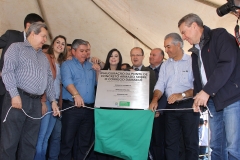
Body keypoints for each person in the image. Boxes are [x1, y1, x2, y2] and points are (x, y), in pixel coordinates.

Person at [178, 13, 240, 160]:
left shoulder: (219, 36)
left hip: (232, 98)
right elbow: (198, 80)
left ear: (194, 26)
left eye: (183, 32)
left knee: (233, 147)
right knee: (216, 145)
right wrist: (197, 98)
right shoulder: (194, 53)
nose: (184, 37)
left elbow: (226, 64)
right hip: (213, 102)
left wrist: (206, 91)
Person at [1, 22, 59, 160]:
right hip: (18, 99)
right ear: (33, 34)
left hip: (36, 103)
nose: (45, 40)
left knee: (30, 143)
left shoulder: (43, 57)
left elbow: (49, 81)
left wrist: (53, 101)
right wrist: (14, 95)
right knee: (10, 142)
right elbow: (7, 71)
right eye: (43, 36)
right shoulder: (16, 48)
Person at [149, 33, 199, 160]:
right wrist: (155, 99)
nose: (166, 50)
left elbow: (198, 86)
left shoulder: (192, 61)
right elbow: (160, 85)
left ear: (178, 45)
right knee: (170, 143)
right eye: (165, 47)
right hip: (170, 107)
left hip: (188, 106)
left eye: (168, 47)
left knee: (190, 143)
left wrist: (181, 95)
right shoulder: (165, 65)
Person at [0, 13, 44, 138]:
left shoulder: (38, 48)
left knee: (20, 133)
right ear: (29, 26)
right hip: (5, 90)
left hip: (25, 96)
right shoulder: (12, 35)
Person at [59, 39, 100, 160]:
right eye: (81, 51)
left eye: (86, 50)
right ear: (73, 51)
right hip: (72, 108)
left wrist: (98, 71)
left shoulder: (91, 66)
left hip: (88, 109)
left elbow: (98, 84)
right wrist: (76, 95)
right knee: (67, 141)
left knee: (84, 143)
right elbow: (67, 81)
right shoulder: (67, 64)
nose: (84, 53)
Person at [34, 35, 67, 160]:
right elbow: (42, 80)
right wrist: (42, 101)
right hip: (47, 100)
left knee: (47, 137)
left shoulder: (61, 63)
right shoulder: (47, 58)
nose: (60, 45)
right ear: (53, 44)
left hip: (55, 104)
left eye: (63, 44)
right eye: (58, 42)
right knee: (41, 137)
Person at [148, 48, 167, 160]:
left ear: (161, 57)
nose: (150, 56)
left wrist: (160, 109)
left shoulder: (166, 69)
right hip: (146, 112)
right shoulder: (146, 70)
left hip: (160, 113)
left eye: (154, 55)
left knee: (159, 141)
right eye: (150, 54)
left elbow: (166, 91)